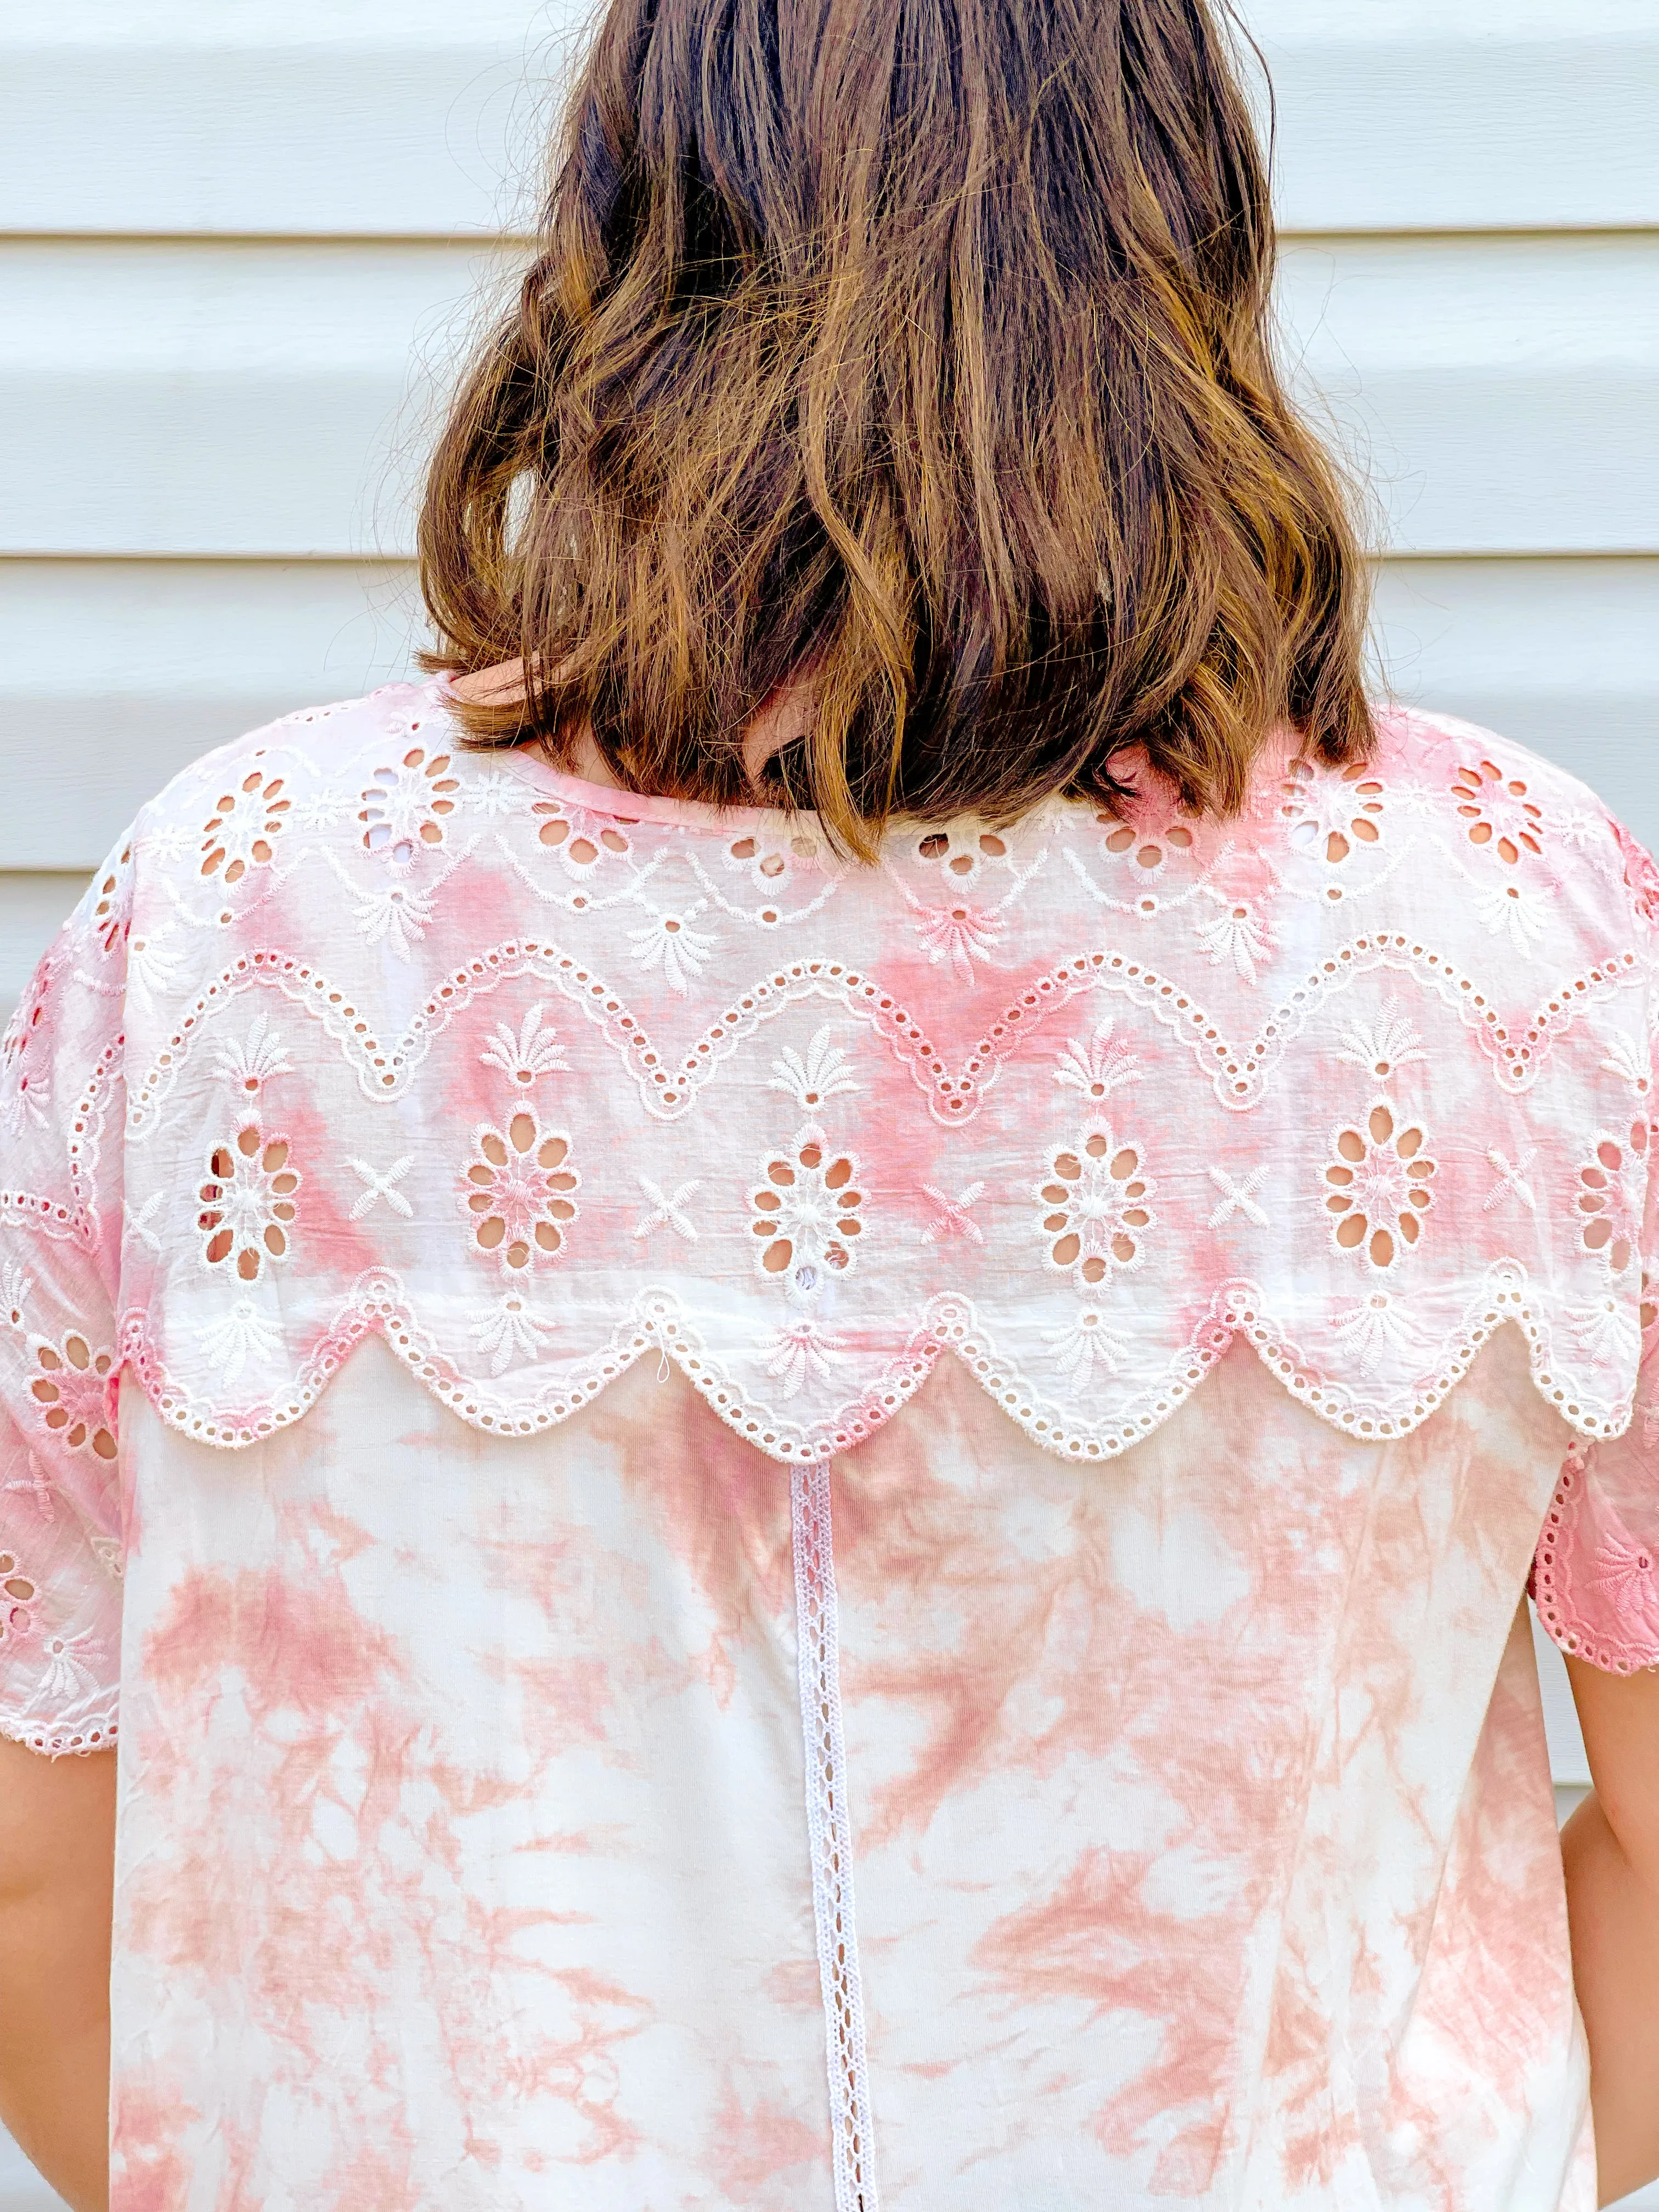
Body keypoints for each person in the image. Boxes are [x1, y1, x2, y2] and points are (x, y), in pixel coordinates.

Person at [2, 0, 1657, 2204]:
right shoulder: (1517, 925)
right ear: (1184, 263)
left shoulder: (232, 911)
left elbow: (45, 1866)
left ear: (628, 253)